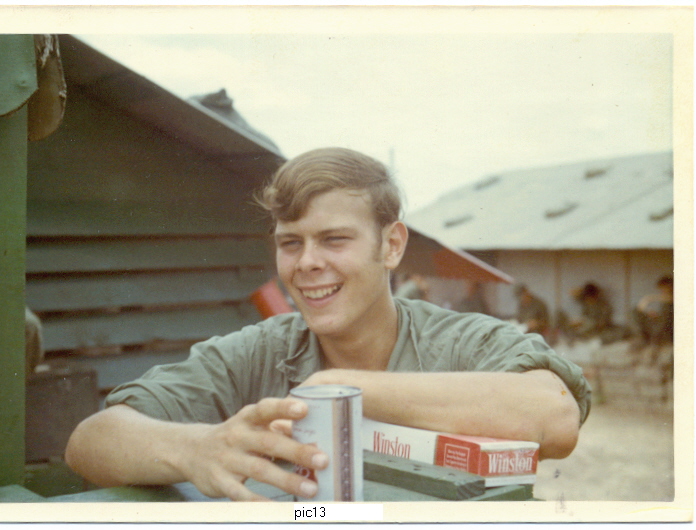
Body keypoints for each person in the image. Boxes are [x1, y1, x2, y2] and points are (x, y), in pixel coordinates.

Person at [65, 147, 591, 502]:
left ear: (392, 245)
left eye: (334, 239)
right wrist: (196, 448)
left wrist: (337, 389)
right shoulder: (258, 352)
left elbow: (555, 419)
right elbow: (91, 441)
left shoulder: (460, 341)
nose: (307, 263)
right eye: (290, 243)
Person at [630, 275, 674, 364]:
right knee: (635, 311)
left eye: (665, 288)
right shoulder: (664, 299)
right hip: (660, 324)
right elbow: (641, 306)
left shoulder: (672, 297)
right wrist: (653, 314)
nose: (663, 292)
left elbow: (670, 301)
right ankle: (642, 337)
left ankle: (650, 341)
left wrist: (650, 298)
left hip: (668, 330)